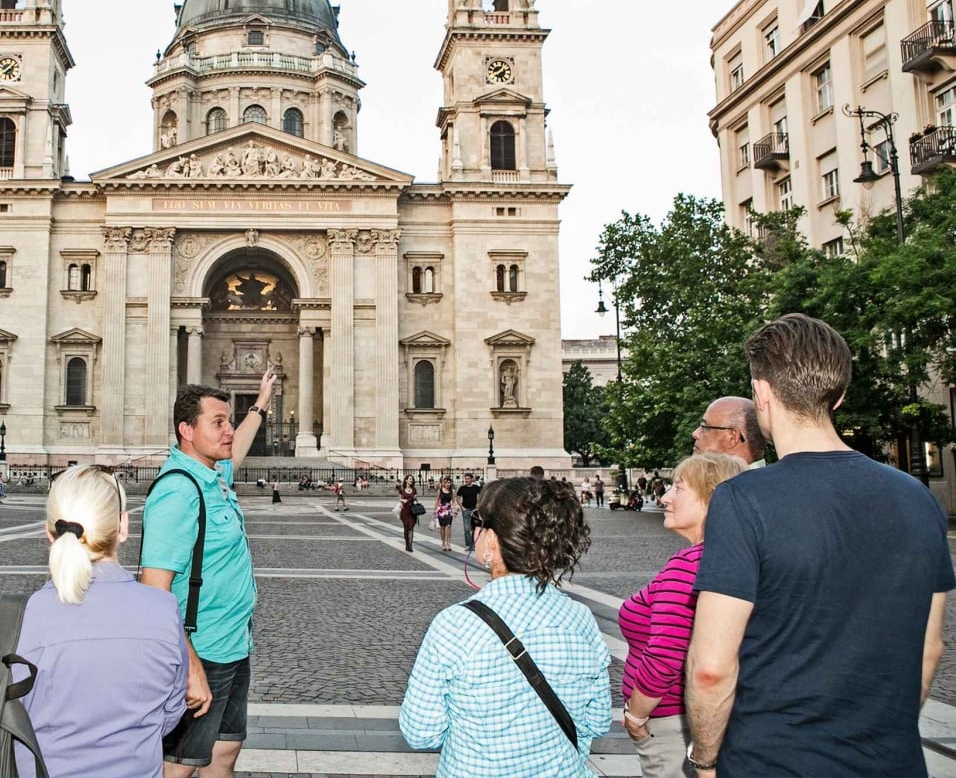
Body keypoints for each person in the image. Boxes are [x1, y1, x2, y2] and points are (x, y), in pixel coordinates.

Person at [686, 314, 954, 778]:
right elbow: (930, 648)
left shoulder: (743, 499)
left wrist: (705, 759)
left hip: (773, 761)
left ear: (762, 395)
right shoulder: (918, 498)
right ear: (840, 395)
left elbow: (711, 668)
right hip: (892, 760)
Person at [401, 476, 611, 777]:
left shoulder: (454, 625)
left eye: (480, 521)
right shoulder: (580, 618)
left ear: (493, 541)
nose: (475, 530)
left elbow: (421, 732)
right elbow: (599, 720)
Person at [5, 465, 188, 778]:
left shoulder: (13, 619)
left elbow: (5, 713)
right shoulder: (163, 610)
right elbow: (170, 712)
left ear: (49, 533)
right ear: (123, 526)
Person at [141, 372, 276, 778]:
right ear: (187, 430)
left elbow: (238, 449)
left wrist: (261, 403)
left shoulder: (213, 476)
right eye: (218, 422)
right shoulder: (176, 493)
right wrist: (191, 666)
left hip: (232, 644)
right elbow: (154, 592)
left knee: (225, 751)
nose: (229, 430)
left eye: (229, 421)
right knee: (178, 765)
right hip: (200, 652)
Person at [619, 453, 745, 778]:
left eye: (679, 488)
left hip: (673, 723)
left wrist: (635, 717)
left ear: (711, 498)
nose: (665, 497)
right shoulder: (735, 558)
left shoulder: (688, 566)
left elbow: (664, 657)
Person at [690, 396, 768, 470]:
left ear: (732, 438)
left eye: (704, 427)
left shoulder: (734, 483)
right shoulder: (770, 481)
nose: (695, 434)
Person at [455, 473, 481, 551]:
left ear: (471, 479)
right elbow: (457, 498)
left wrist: (478, 505)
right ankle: (469, 545)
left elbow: (480, 496)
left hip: (474, 510)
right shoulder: (462, 488)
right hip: (466, 509)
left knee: (474, 528)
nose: (466, 480)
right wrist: (461, 507)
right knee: (466, 528)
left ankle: (473, 544)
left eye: (468, 479)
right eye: (465, 479)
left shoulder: (476, 487)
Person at [394, 474, 420, 552]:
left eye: (412, 479)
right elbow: (400, 499)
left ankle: (410, 545)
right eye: (410, 479)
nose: (411, 480)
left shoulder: (414, 489)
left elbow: (415, 499)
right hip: (405, 510)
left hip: (412, 510)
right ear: (406, 480)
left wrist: (415, 500)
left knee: (411, 527)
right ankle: (407, 544)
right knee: (406, 528)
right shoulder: (402, 489)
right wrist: (402, 501)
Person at [433, 477, 455, 552]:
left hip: (448, 510)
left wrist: (454, 510)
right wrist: (434, 510)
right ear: (443, 483)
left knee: (448, 526)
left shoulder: (452, 491)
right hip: (441, 510)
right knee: (442, 527)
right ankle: (443, 543)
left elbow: (454, 502)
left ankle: (448, 543)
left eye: (449, 482)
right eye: (446, 482)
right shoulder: (440, 491)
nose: (447, 484)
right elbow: (437, 500)